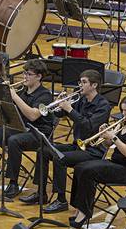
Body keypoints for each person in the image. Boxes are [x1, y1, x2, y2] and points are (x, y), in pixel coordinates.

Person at [0, 60, 54, 193]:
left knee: (14, 141)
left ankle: (13, 183)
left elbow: (32, 115)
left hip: (38, 134)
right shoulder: (23, 91)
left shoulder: (45, 95)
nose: (25, 76)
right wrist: (4, 94)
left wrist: (14, 96)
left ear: (39, 76)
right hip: (20, 128)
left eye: (29, 74)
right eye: (24, 73)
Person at [39, 69, 112, 213]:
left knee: (60, 158)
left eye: (84, 82)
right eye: (80, 82)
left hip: (92, 150)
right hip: (77, 145)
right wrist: (58, 104)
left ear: (94, 85)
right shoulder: (82, 100)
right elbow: (60, 114)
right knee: (44, 151)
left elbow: (89, 125)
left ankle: (61, 200)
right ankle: (40, 193)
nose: (80, 85)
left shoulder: (103, 105)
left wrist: (70, 109)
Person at [69, 95, 126, 228]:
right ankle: (79, 207)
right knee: (79, 167)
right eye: (122, 110)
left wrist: (115, 138)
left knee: (88, 171)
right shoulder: (125, 125)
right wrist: (105, 136)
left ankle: (84, 212)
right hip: (115, 163)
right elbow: (107, 146)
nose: (123, 114)